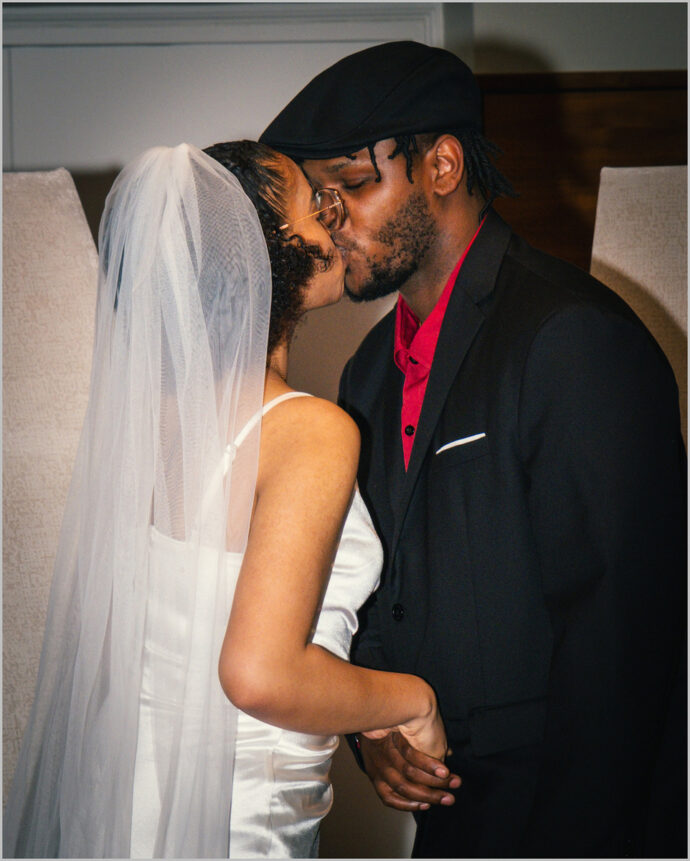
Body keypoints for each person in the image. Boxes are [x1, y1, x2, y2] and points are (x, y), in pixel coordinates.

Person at [259, 40, 687, 858]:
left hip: (576, 820)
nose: (332, 222)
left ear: (442, 166)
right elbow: (371, 580)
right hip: (454, 824)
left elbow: (623, 648)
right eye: (321, 197)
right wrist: (371, 727)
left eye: (352, 184)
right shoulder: (367, 371)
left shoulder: (569, 336)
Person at [3, 141, 450, 859]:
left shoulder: (155, 422)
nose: (333, 220)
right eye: (314, 207)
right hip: (236, 821)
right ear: (263, 251)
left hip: (133, 803)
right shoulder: (308, 430)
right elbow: (259, 674)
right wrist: (413, 700)